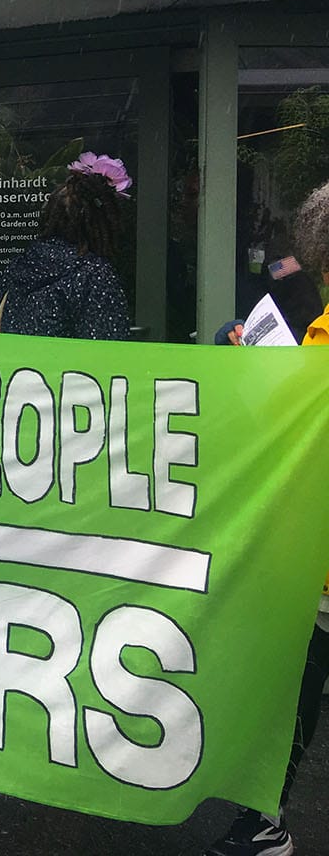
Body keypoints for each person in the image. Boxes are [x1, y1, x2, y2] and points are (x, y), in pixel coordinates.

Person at [203, 181, 329, 856]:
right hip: (313, 556)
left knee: (295, 692)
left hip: (315, 557)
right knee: (295, 690)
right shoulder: (313, 333)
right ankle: (264, 818)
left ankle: (265, 821)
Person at [0, 152, 132, 341]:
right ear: (104, 221)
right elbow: (107, 354)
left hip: (17, 370)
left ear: (50, 215)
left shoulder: (21, 265)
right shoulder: (93, 275)